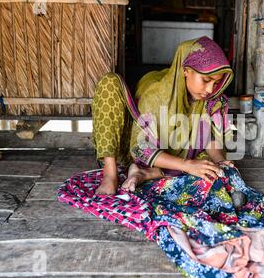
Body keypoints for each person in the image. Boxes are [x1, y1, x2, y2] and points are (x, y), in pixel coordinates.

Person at [92, 36, 235, 195]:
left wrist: (220, 162)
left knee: (208, 168)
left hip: (181, 154)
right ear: (186, 70)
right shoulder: (156, 94)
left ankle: (146, 173)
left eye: (215, 83)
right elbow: (140, 149)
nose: (210, 89)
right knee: (109, 82)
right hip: (135, 148)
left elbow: (208, 139)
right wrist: (187, 165)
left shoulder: (211, 99)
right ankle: (110, 174)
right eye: (206, 80)